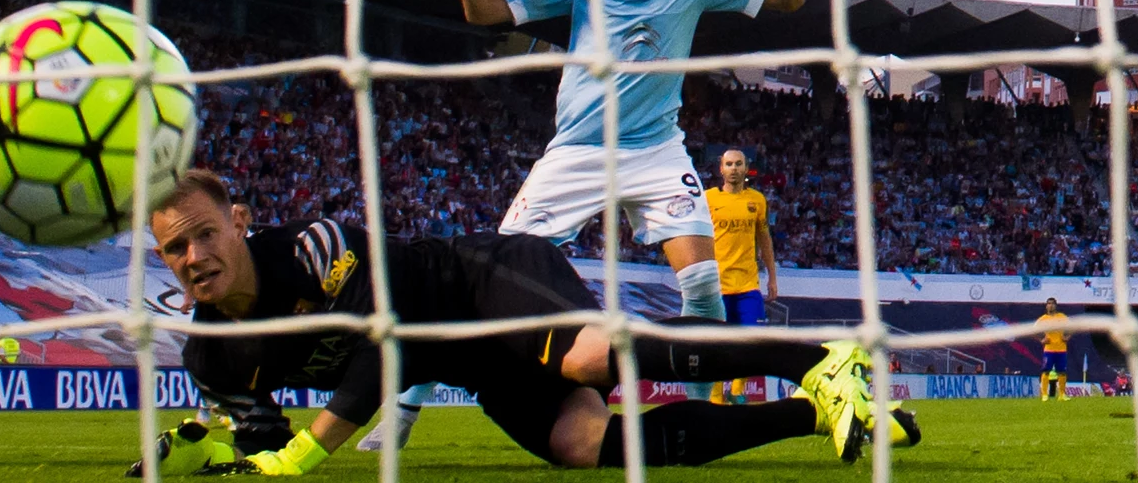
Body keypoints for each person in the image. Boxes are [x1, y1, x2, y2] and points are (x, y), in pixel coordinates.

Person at [370, 0, 802, 453]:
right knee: (481, 284)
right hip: (576, 153)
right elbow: (486, 12)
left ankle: (704, 414)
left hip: (655, 150)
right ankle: (400, 412)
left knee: (702, 284)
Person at [131, 170, 917, 476]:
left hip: (481, 280)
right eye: (175, 246)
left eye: (205, 232)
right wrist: (223, 444)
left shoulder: (311, 248)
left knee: (585, 359)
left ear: (238, 221)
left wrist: (306, 450)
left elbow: (387, 348)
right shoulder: (214, 357)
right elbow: (263, 451)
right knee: (580, 446)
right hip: (472, 362)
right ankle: (811, 411)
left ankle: (818, 354)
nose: (194, 254)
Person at [704, 148, 778, 404]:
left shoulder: (757, 200)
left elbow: (764, 239)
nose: (734, 168)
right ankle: (715, 397)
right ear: (720, 169)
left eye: (739, 164)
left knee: (752, 339)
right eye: (729, 164)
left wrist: (773, 277)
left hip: (748, 285)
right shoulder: (708, 199)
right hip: (717, 285)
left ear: (746, 169)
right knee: (715, 344)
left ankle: (737, 391)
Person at [1035, 298, 1069, 401]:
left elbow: (1073, 327)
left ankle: (1062, 395)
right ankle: (1044, 395)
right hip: (1049, 349)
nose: (1051, 306)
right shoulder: (1043, 319)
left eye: (1052, 304)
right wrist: (1041, 340)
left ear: (1056, 306)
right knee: (1046, 371)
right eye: (1049, 304)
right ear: (1046, 306)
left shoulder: (1062, 317)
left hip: (1061, 349)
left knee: (1062, 372)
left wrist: (1067, 337)